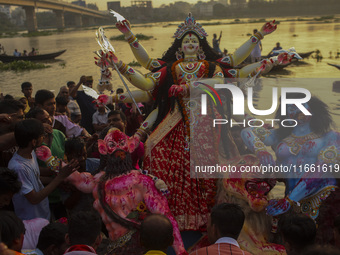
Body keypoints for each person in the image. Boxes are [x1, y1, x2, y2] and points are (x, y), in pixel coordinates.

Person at [99, 13, 278, 232]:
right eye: (186, 41)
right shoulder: (172, 69)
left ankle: (207, 217)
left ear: (201, 46)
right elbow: (146, 82)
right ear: (179, 47)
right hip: (175, 122)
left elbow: (226, 76)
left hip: (205, 120)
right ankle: (170, 212)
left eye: (194, 40)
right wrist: (123, 54)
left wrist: (264, 46)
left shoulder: (210, 67)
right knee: (153, 150)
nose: (190, 43)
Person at [65, 128, 186, 255]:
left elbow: (166, 217)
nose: (118, 149)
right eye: (112, 145)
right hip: (115, 248)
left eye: (121, 144)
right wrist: (49, 159)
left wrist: (181, 251)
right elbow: (76, 179)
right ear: (103, 149)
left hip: (141, 248)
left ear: (130, 146)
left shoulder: (143, 181)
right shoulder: (98, 181)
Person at [241, 94, 340, 244]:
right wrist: (261, 150)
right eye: (290, 106)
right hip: (290, 204)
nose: (295, 109)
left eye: (301, 105)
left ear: (313, 110)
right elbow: (247, 131)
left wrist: (289, 200)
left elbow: (320, 170)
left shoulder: (330, 137)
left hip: (321, 200)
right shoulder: (280, 137)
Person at [8, 119, 78, 220]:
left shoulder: (30, 153)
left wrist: (59, 171)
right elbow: (34, 199)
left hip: (42, 213)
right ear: (34, 141)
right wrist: (59, 178)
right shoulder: (18, 167)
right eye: (42, 136)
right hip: (31, 219)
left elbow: (35, 176)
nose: (44, 138)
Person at [61, 137, 98, 215]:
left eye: (84, 154)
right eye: (78, 156)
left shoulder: (97, 165)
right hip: (78, 218)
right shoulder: (65, 175)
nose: (82, 158)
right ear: (68, 155)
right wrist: (80, 185)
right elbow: (68, 204)